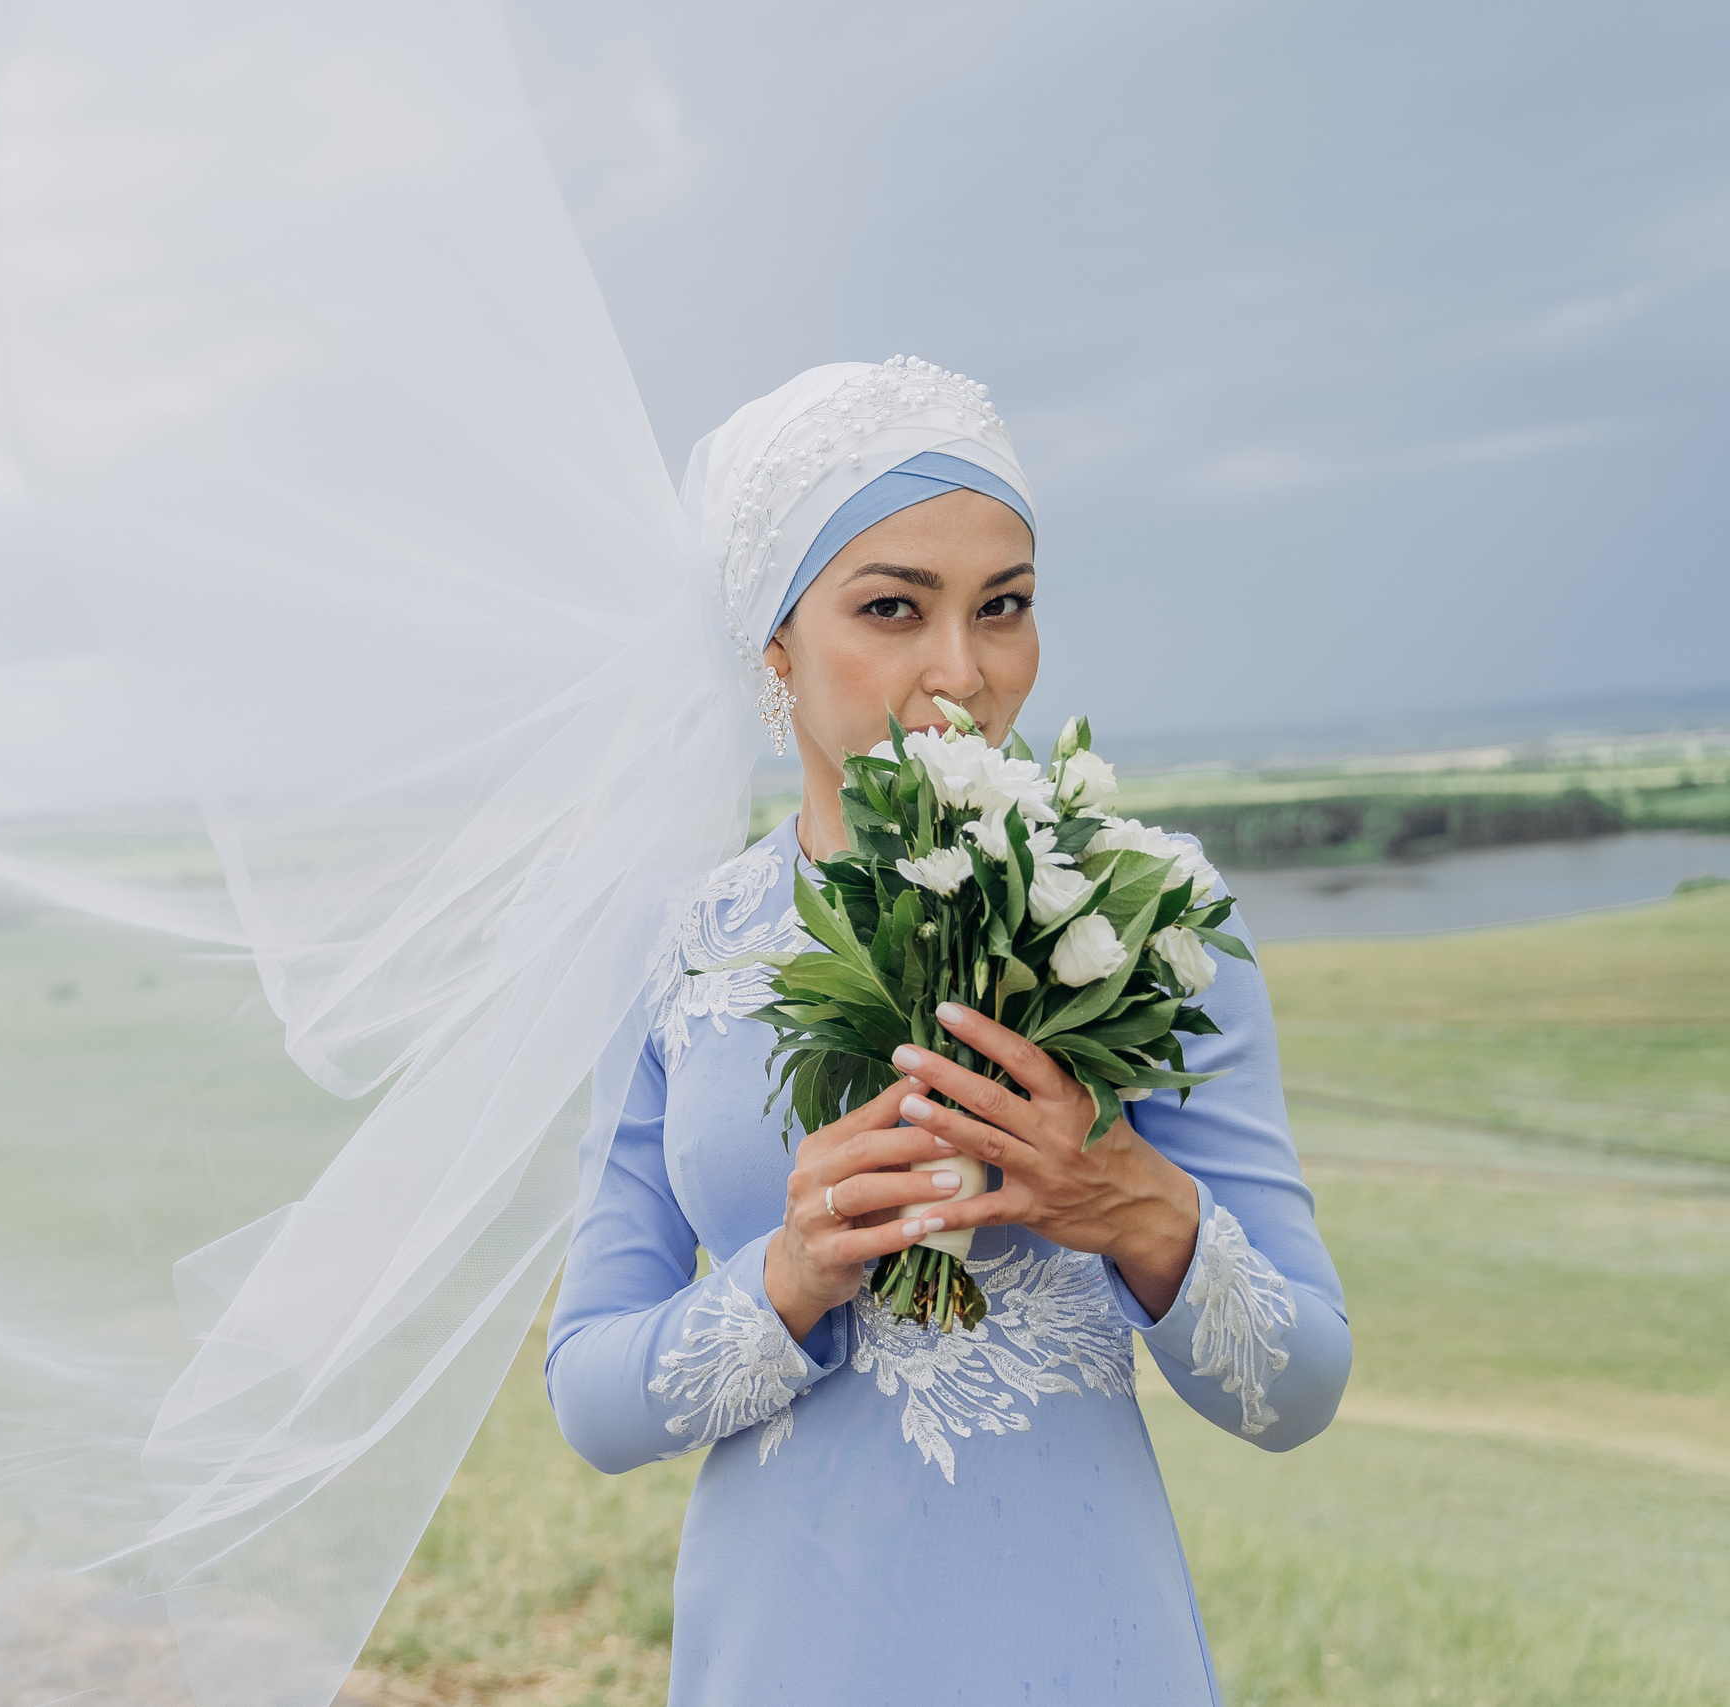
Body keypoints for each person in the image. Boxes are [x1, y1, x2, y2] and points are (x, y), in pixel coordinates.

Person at [544, 358, 1353, 1704]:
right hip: (782, 1659)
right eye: (892, 608)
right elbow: (594, 1399)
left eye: (1006, 608)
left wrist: (1138, 1209)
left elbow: (1297, 1391)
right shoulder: (677, 947)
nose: (961, 674)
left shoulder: (1151, 917)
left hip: (1087, 1651)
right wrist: (792, 1271)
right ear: (773, 644)